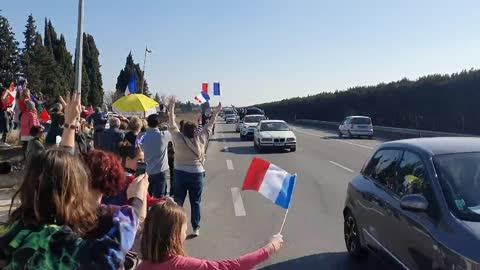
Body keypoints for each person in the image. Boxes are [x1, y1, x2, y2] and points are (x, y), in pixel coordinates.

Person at [0, 92, 139, 269]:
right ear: (70, 192)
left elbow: (58, 171)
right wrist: (136, 205)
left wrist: (70, 126)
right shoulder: (55, 242)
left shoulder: (13, 231)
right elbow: (108, 257)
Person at [138, 201, 284, 270]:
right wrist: (270, 247)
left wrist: (167, 211)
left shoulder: (142, 266)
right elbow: (234, 266)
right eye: (184, 228)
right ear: (174, 234)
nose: (185, 232)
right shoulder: (181, 265)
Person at [167, 97, 220, 236]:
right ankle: (196, 228)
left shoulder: (177, 138)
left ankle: (176, 226)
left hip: (180, 173)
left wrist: (172, 106)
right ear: (195, 130)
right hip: (197, 173)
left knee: (178, 201)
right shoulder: (201, 138)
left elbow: (171, 124)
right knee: (195, 202)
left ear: (182, 130)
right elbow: (210, 124)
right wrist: (216, 112)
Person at [139, 114, 172, 198]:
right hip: (161, 170)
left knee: (146, 197)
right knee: (159, 199)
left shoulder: (142, 137)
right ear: (158, 124)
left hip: (146, 170)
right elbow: (173, 130)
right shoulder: (163, 135)